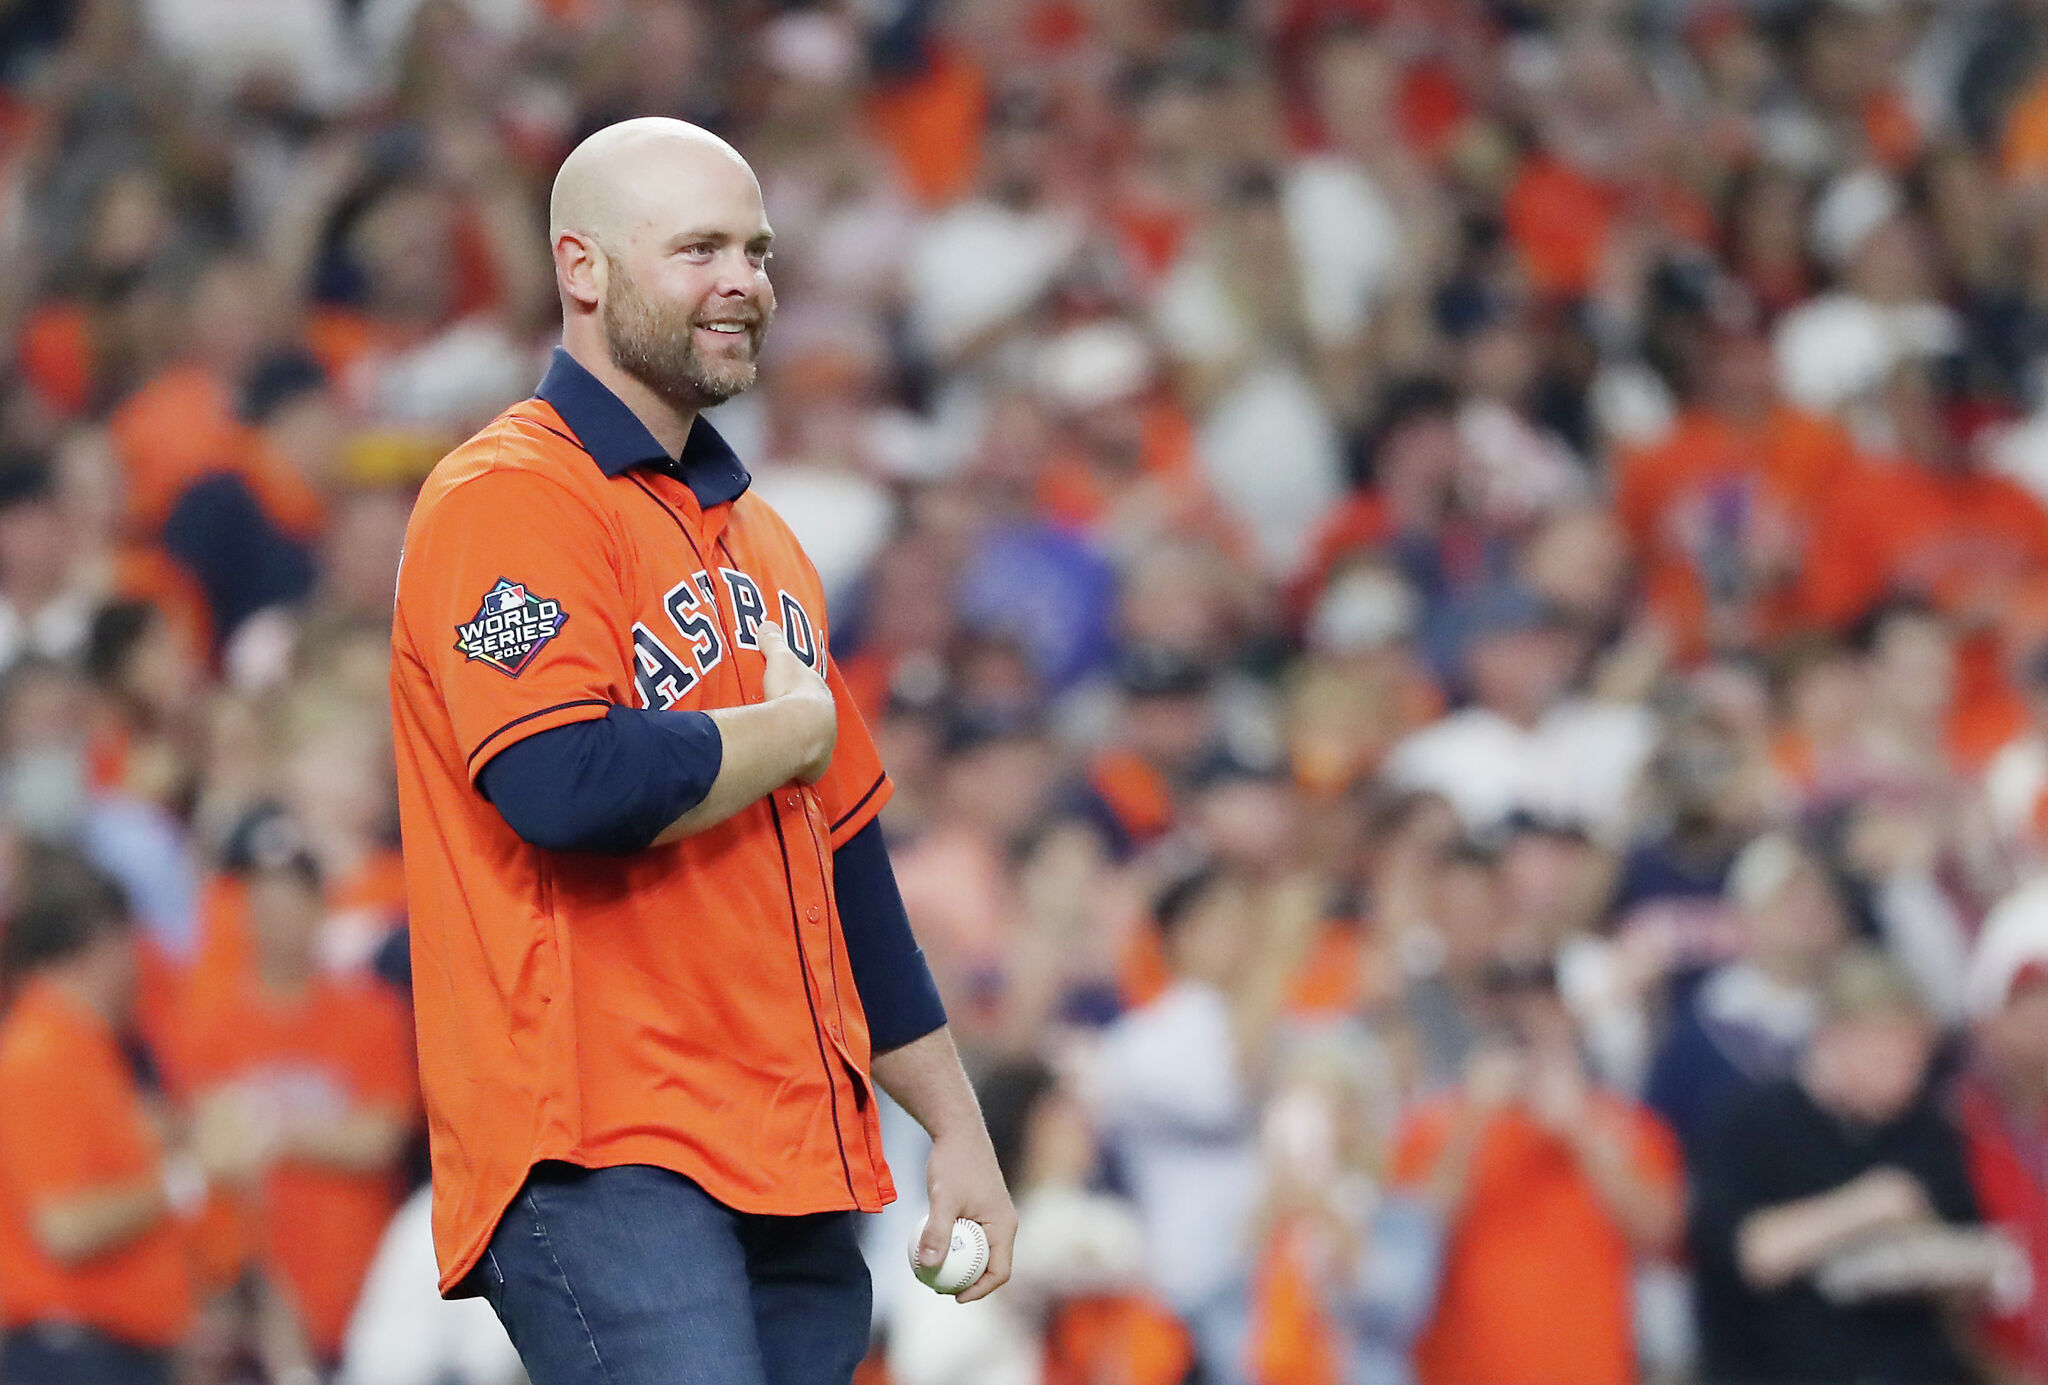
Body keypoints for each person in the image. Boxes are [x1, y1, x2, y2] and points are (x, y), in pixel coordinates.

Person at [388, 117, 1015, 1385]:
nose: (743, 278)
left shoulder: (763, 540)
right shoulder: (508, 492)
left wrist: (956, 1124)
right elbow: (559, 780)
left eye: (758, 250)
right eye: (697, 249)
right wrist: (783, 729)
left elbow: (846, 863)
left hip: (790, 1145)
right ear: (584, 269)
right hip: (601, 1141)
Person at [0, 853, 261, 1385]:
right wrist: (192, 1175)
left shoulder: (87, 1051)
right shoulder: (39, 1055)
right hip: (70, 1357)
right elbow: (64, 1227)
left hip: (114, 1353)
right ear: (102, 944)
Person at [1689, 948, 2004, 1385]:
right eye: (1886, 1051)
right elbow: (1749, 1253)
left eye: (1915, 1055)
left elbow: (1966, 1250)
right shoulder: (1753, 1122)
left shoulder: (1925, 1129)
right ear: (1830, 1039)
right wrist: (1867, 1205)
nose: (1905, 1072)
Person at [1386, 958, 1684, 1385]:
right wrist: (1471, 1121)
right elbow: (1414, 1236)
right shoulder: (1437, 1124)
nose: (1526, 1033)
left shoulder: (1624, 1123)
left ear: (1566, 1019)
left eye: (1540, 1016)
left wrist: (1581, 1132)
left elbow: (1660, 1234)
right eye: (1510, 1020)